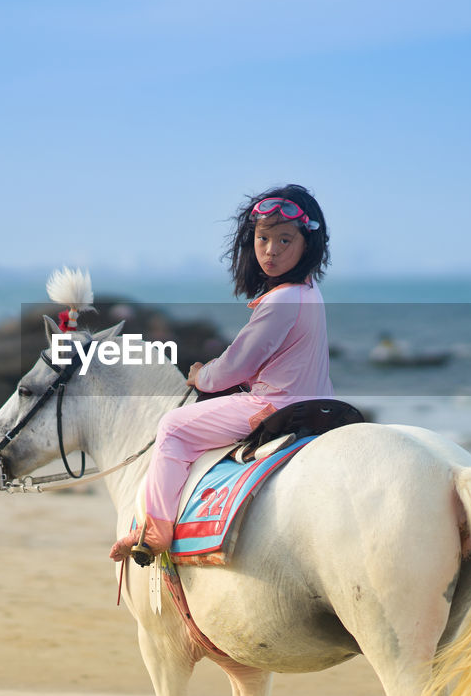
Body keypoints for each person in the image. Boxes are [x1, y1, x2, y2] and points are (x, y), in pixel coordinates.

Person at [109, 184, 334, 562]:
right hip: (321, 401)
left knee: (173, 428)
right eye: (263, 238)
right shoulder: (309, 292)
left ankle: (156, 530)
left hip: (273, 404)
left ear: (306, 245)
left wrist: (202, 377)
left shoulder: (280, 300)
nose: (271, 250)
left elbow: (238, 364)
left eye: (284, 240)